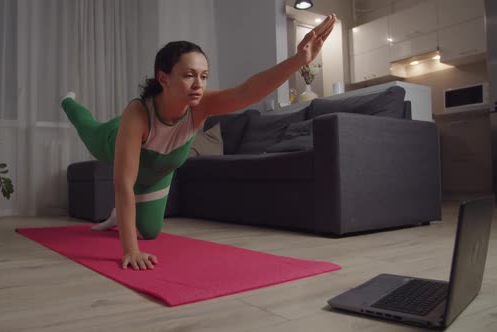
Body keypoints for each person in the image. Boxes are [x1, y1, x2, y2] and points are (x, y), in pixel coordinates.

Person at [62, 14, 336, 271]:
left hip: (157, 173)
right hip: (115, 141)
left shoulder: (201, 106)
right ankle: (68, 101)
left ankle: (117, 217)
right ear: (163, 78)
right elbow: (123, 184)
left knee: (151, 232)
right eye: (188, 75)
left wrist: (299, 60)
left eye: (204, 76)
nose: (199, 84)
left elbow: (249, 90)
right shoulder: (138, 114)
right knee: (89, 130)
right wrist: (129, 250)